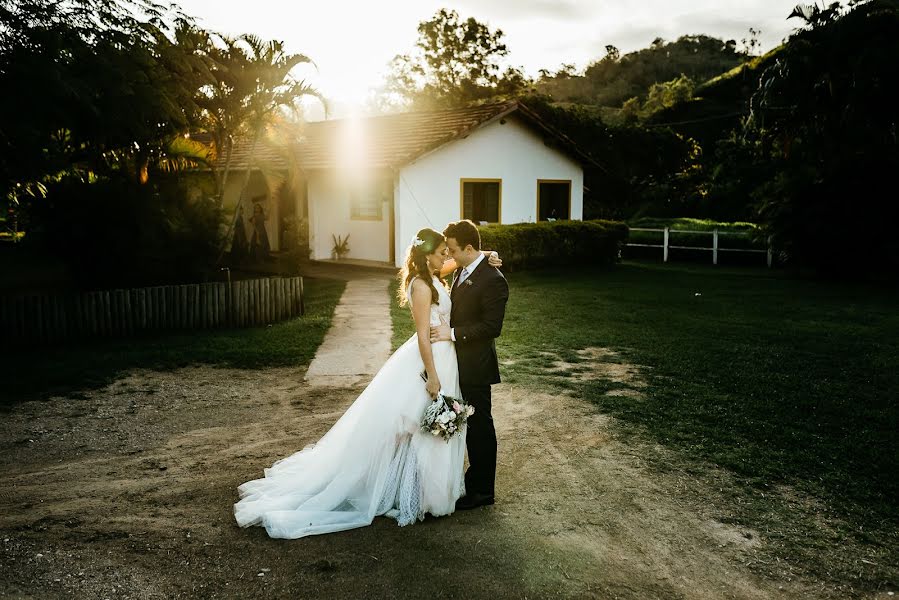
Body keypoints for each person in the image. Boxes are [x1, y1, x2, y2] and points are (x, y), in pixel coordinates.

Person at [233, 227, 501, 539]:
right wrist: (433, 375)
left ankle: (432, 490)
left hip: (448, 357)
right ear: (428, 255)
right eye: (443, 252)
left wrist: (487, 256)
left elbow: (466, 262)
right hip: (432, 361)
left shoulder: (436, 274)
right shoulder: (421, 286)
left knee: (434, 428)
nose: (448, 257)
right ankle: (416, 492)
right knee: (417, 428)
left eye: (449, 252)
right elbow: (421, 336)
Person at [430, 219, 509, 510]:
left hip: (476, 365)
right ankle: (471, 481)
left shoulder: (494, 280)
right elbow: (445, 267)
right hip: (456, 362)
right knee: (466, 424)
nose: (448, 254)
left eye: (451, 249)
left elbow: (491, 327)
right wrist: (486, 253)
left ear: (468, 248)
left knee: (480, 427)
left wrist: (451, 334)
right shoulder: (464, 267)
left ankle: (483, 491)